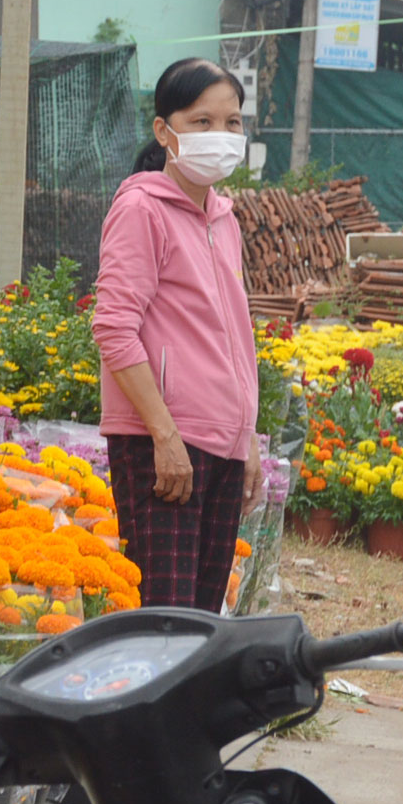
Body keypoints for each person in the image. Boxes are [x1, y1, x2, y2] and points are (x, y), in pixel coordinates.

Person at [92, 57, 264, 611]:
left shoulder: (224, 219)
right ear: (165, 131)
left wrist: (248, 440)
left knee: (201, 620)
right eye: (202, 122)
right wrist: (164, 437)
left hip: (221, 444)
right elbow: (115, 329)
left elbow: (231, 335)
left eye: (232, 122)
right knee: (162, 620)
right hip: (163, 445)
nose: (221, 136)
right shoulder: (141, 209)